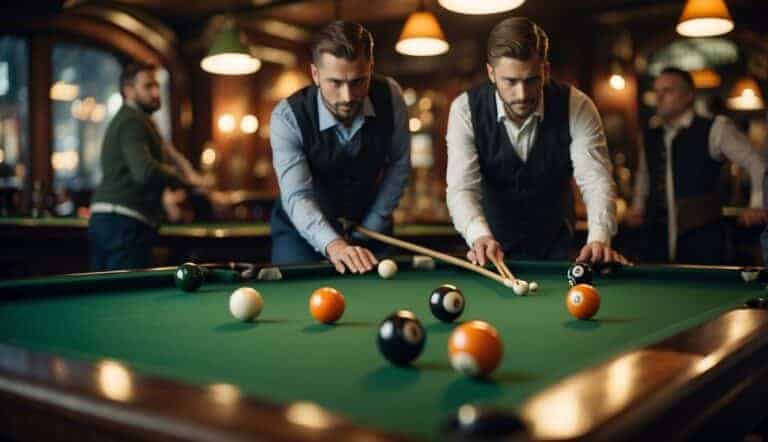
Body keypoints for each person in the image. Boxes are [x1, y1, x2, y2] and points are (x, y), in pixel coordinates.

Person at [446, 17, 627, 267]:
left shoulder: (577, 106)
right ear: (491, 73)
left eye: (531, 80)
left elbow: (595, 180)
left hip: (556, 249)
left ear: (546, 70)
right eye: (510, 81)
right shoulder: (464, 110)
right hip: (492, 253)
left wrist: (599, 238)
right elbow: (462, 188)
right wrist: (479, 235)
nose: (522, 94)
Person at [269, 21, 410, 274]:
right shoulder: (287, 117)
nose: (347, 96)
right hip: (301, 232)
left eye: (358, 81)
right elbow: (298, 196)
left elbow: (399, 163)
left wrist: (374, 224)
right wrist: (335, 244)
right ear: (315, 74)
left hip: (369, 225)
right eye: (335, 82)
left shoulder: (391, 96)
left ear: (371, 68)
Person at [624, 67, 767, 264]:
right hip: (656, 240)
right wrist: (637, 207)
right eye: (657, 92)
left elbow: (757, 163)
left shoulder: (716, 127)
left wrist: (758, 204)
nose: (659, 97)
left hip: (703, 239)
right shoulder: (650, 134)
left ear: (688, 96)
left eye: (667, 91)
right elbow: (644, 175)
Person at [89, 61, 208, 271]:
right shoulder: (132, 121)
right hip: (122, 223)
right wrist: (186, 182)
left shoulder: (140, 121)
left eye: (156, 86)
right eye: (147, 86)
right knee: (124, 299)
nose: (155, 92)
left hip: (113, 220)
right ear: (128, 91)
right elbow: (145, 172)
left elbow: (165, 156)